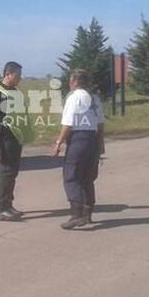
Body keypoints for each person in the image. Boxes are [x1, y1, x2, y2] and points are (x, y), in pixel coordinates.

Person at [51, 69, 105, 229]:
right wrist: (101, 144)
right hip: (93, 139)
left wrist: (58, 144)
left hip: (78, 139)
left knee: (71, 176)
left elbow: (67, 123)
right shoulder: (94, 99)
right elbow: (101, 123)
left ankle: (77, 215)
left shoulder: (73, 98)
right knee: (87, 178)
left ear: (74, 82)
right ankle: (88, 214)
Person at [0, 61, 27, 221]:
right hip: (3, 138)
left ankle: (9, 205)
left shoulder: (14, 91)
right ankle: (1, 209)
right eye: (17, 75)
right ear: (8, 74)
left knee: (12, 173)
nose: (20, 78)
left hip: (15, 138)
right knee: (5, 173)